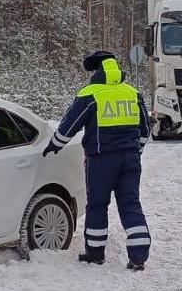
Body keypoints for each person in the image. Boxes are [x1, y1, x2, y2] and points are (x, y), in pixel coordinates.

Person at [43, 50, 151, 271]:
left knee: (97, 205)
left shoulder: (91, 93)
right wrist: (136, 150)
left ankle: (95, 254)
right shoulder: (133, 93)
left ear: (96, 70)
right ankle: (138, 257)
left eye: (90, 70)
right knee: (131, 204)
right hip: (130, 159)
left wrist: (54, 145)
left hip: (101, 161)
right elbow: (145, 129)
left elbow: (69, 126)